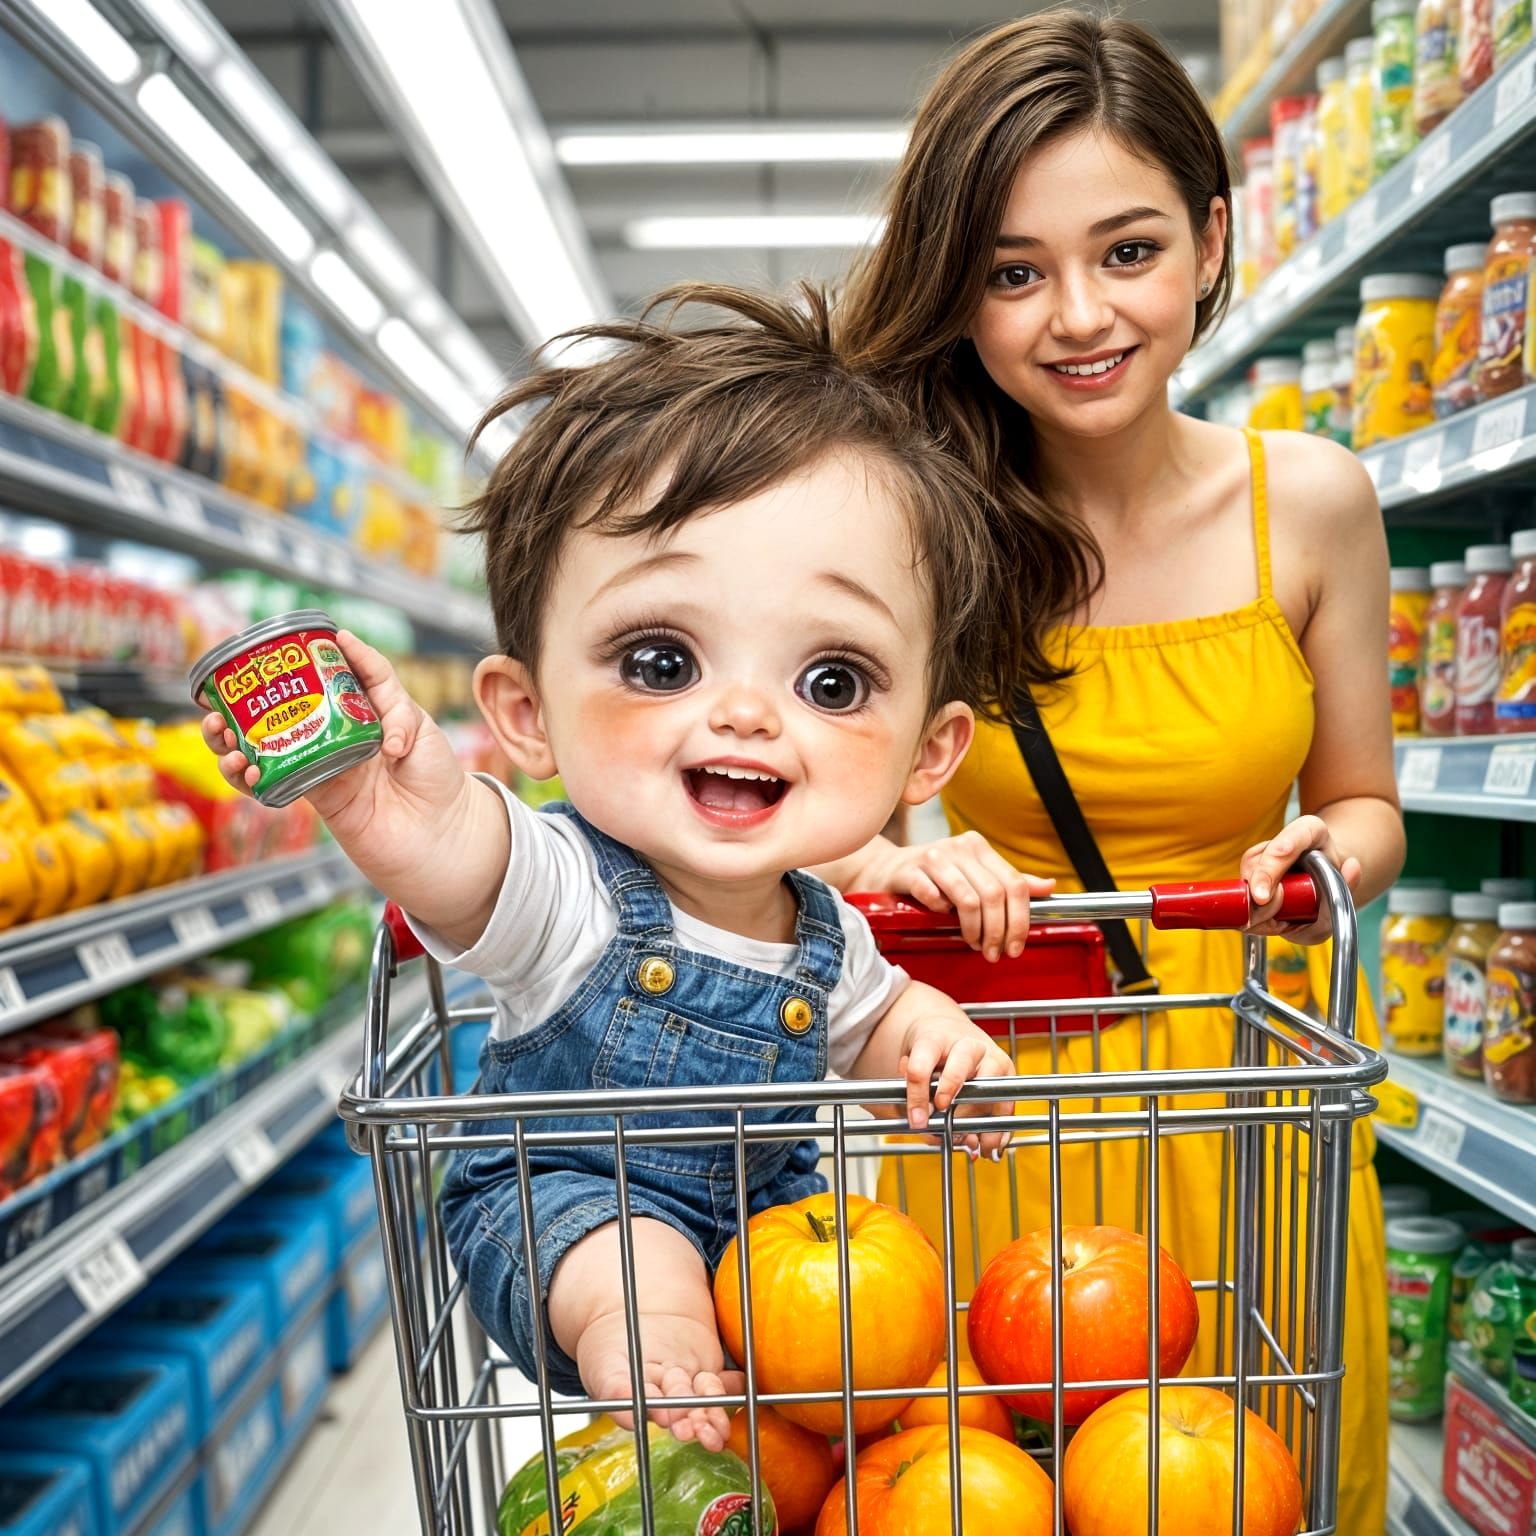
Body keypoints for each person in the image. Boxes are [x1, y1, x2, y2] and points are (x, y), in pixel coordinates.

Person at [200, 285, 1021, 1454]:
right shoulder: (566, 889)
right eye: (659, 659)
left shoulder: (832, 934)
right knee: (635, 1258)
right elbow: (459, 858)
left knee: (834, 1322)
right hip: (560, 1214)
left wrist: (938, 1040)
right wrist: (377, 796)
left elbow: (879, 1021)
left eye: (831, 681)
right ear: (525, 714)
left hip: (768, 1248)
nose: (744, 714)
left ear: (927, 752)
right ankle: (654, 1358)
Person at [826, 13, 1404, 1530]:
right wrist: (898, 859)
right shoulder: (917, 533)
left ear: (1212, 243)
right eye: (1014, 272)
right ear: (960, 291)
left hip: (1253, 1104)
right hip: (1002, 1110)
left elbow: (1367, 802)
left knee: (1245, 1491)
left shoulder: (1315, 505)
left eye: (1128, 251)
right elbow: (821, 832)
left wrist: (1326, 859)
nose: (1077, 315)